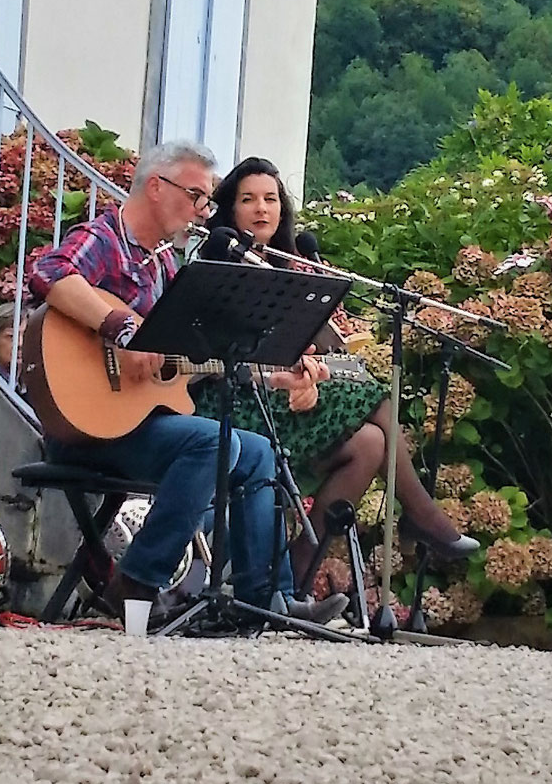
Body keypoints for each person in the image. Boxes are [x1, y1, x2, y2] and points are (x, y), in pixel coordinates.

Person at [25, 138, 338, 622]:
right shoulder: (107, 238)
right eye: (195, 195)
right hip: (85, 425)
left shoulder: (166, 264)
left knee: (256, 450)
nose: (202, 209)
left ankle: (265, 601)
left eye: (205, 199)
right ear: (155, 186)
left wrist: (278, 375)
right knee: (215, 445)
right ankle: (133, 586)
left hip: (136, 421)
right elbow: (49, 270)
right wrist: (121, 328)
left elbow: (190, 361)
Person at [195, 157, 478, 591]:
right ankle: (422, 515)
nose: (261, 209)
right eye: (248, 199)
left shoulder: (296, 266)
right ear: (229, 210)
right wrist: (282, 379)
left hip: (287, 397)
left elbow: (328, 349)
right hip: (231, 401)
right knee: (374, 397)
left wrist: (313, 375)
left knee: (369, 442)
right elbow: (213, 355)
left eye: (271, 199)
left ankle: (295, 580)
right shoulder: (217, 264)